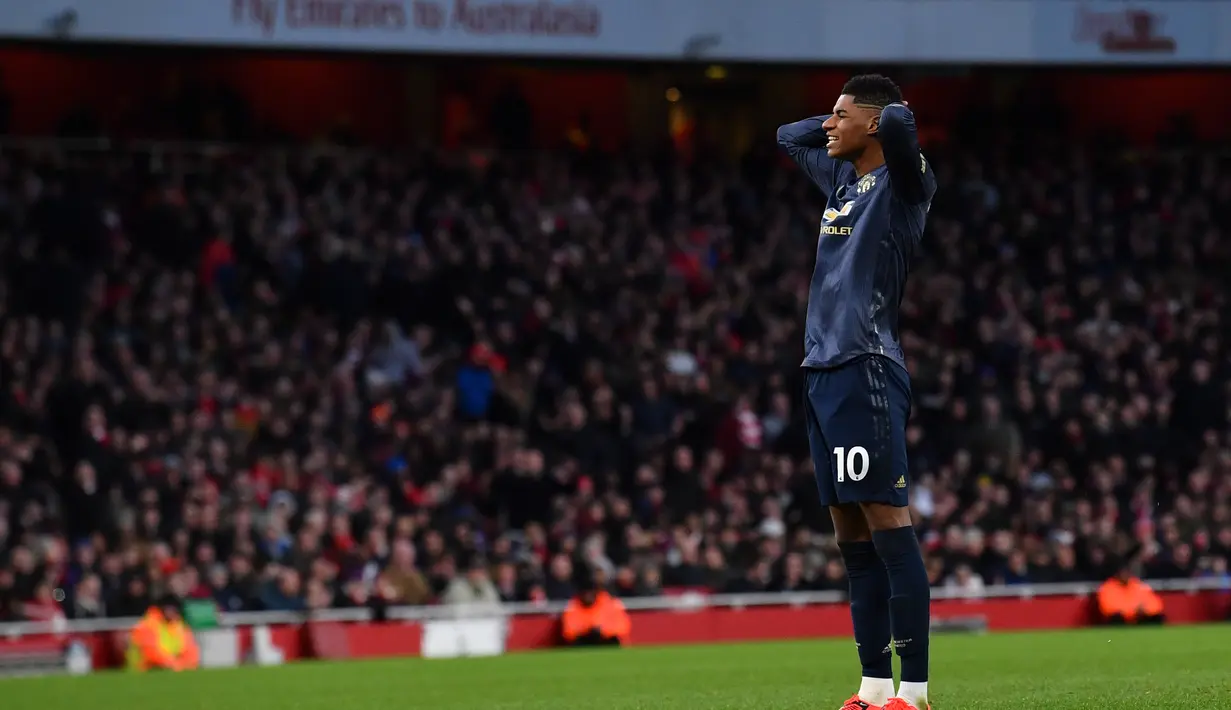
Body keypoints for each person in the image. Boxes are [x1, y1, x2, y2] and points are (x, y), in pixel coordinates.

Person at [777, 74, 936, 710]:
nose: (828, 126)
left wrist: (876, 116)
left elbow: (898, 128)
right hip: (821, 371)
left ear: (875, 124)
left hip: (866, 363)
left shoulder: (905, 184)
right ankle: (873, 687)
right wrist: (843, 121)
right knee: (850, 537)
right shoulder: (842, 182)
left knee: (887, 527)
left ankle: (916, 692)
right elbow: (789, 137)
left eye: (843, 116)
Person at [126, 595, 201, 672]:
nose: (171, 612)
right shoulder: (148, 624)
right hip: (142, 671)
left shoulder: (179, 626)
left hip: (166, 670)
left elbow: (191, 651)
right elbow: (151, 653)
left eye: (174, 609)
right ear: (161, 608)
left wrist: (182, 664)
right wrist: (175, 664)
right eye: (168, 609)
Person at [560, 569, 630, 647]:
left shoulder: (610, 602)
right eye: (585, 592)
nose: (588, 595)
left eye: (591, 591)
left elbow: (622, 628)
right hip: (582, 644)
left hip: (606, 642)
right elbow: (568, 632)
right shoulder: (573, 605)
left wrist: (602, 631)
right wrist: (588, 631)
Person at [1096, 558, 1165, 626]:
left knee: (1157, 617)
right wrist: (1133, 611)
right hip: (1121, 620)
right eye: (1123, 572)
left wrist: (1145, 610)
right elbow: (1108, 609)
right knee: (1117, 619)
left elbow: (1155, 604)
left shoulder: (1137, 585)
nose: (1125, 575)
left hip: (1139, 618)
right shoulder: (1108, 587)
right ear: (1116, 573)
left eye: (1127, 572)